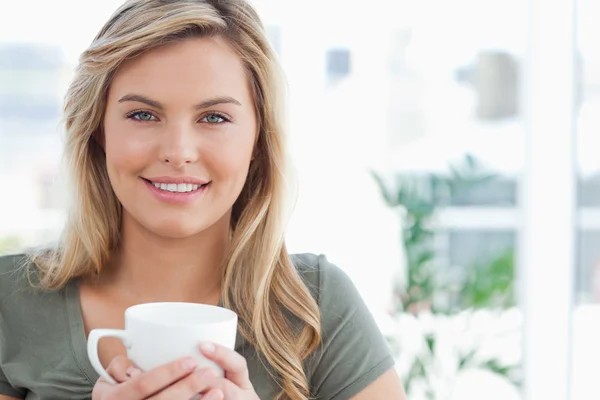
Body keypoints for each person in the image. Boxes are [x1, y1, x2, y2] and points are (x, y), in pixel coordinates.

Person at [0, 1, 406, 399]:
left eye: (214, 117)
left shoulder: (315, 305)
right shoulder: (10, 300)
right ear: (98, 130)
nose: (178, 152)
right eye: (143, 115)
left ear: (257, 141)